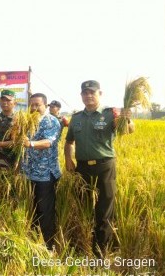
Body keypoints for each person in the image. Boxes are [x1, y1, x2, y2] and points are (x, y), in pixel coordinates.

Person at [64, 80, 134, 257]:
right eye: (85, 93)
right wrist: (67, 159)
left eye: (92, 92)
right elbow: (69, 141)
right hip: (82, 168)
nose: (88, 96)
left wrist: (127, 119)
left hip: (104, 167)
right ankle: (83, 243)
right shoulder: (76, 117)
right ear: (81, 96)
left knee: (104, 209)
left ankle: (101, 251)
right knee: (84, 206)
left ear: (100, 94)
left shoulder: (111, 114)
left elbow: (128, 130)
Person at [23, 93, 61, 250]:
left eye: (37, 105)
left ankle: (48, 246)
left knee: (45, 212)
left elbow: (48, 143)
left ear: (45, 106)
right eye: (31, 105)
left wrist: (30, 144)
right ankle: (32, 244)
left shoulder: (51, 121)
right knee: (32, 210)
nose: (34, 108)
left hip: (45, 175)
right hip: (29, 172)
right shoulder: (28, 121)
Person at [0, 89, 18, 170]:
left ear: (15, 103)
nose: (4, 102)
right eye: (2, 100)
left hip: (13, 162)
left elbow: (18, 143)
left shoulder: (18, 120)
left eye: (8, 100)